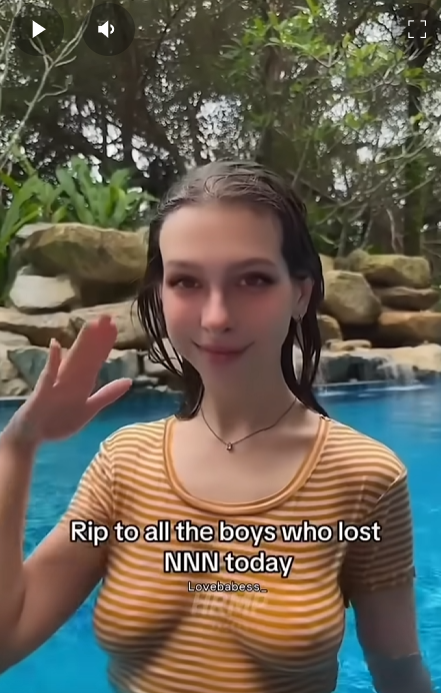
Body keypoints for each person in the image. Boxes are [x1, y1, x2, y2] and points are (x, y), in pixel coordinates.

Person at [0, 160, 433, 693]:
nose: (216, 317)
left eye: (253, 280)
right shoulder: (123, 464)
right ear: (161, 293)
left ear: (300, 293)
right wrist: (18, 445)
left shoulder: (365, 476)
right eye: (186, 281)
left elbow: (398, 672)